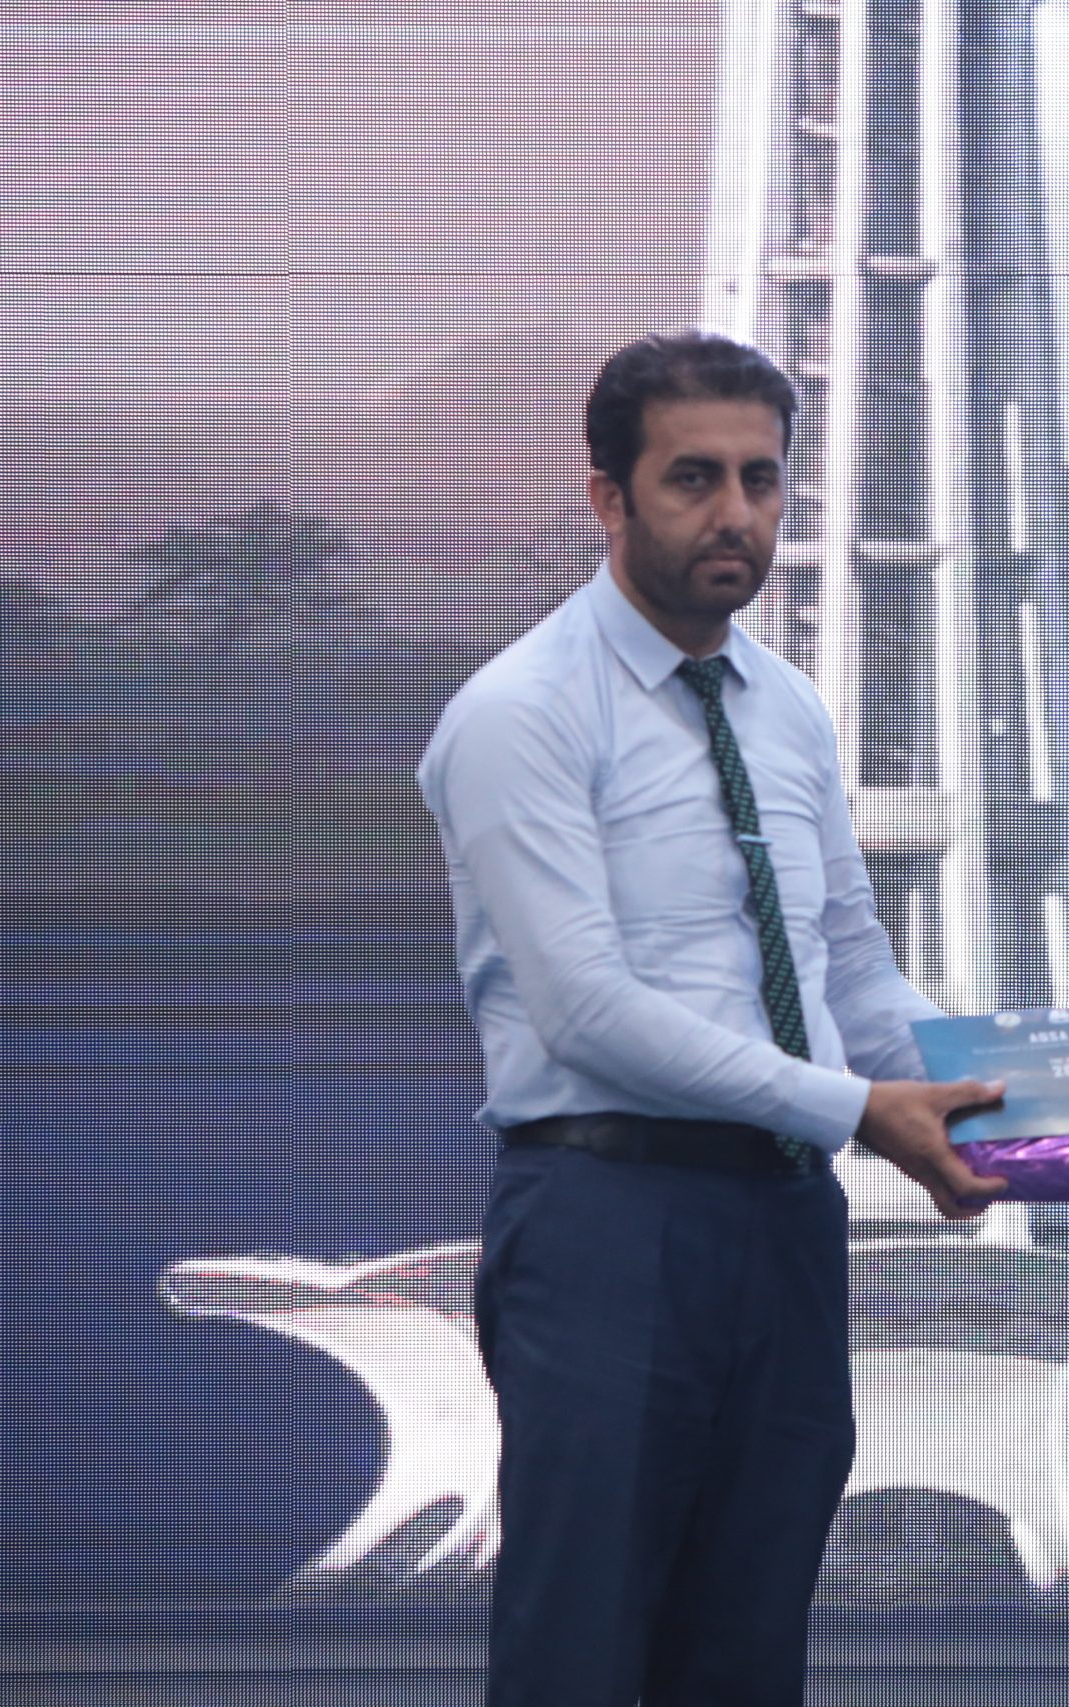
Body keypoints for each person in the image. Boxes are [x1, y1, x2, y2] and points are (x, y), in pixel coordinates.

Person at [416, 328, 1005, 1706]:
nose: (735, 513)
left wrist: (1027, 1098)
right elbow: (587, 1010)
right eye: (693, 478)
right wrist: (861, 1110)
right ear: (608, 496)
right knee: (577, 1655)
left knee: (747, 1653)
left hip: (786, 1224)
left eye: (760, 478)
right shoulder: (520, 712)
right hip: (606, 1221)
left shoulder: (789, 709)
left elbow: (853, 972)